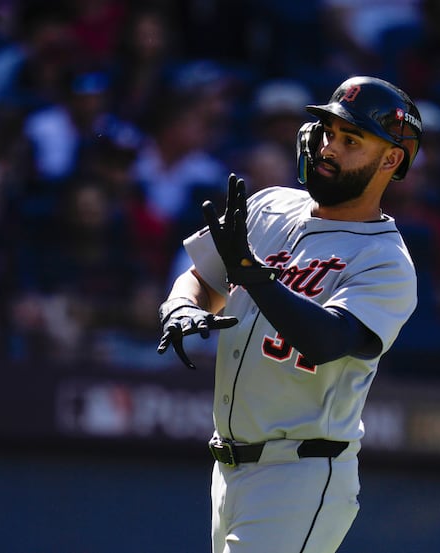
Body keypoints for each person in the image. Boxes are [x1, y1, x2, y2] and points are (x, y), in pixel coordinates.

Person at [157, 75, 422, 553]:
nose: (328, 146)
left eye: (350, 139)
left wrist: (256, 276)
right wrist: (180, 304)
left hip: (301, 474)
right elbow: (203, 279)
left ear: (390, 159)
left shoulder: (387, 261)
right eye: (327, 131)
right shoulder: (269, 205)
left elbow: (328, 341)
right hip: (228, 471)